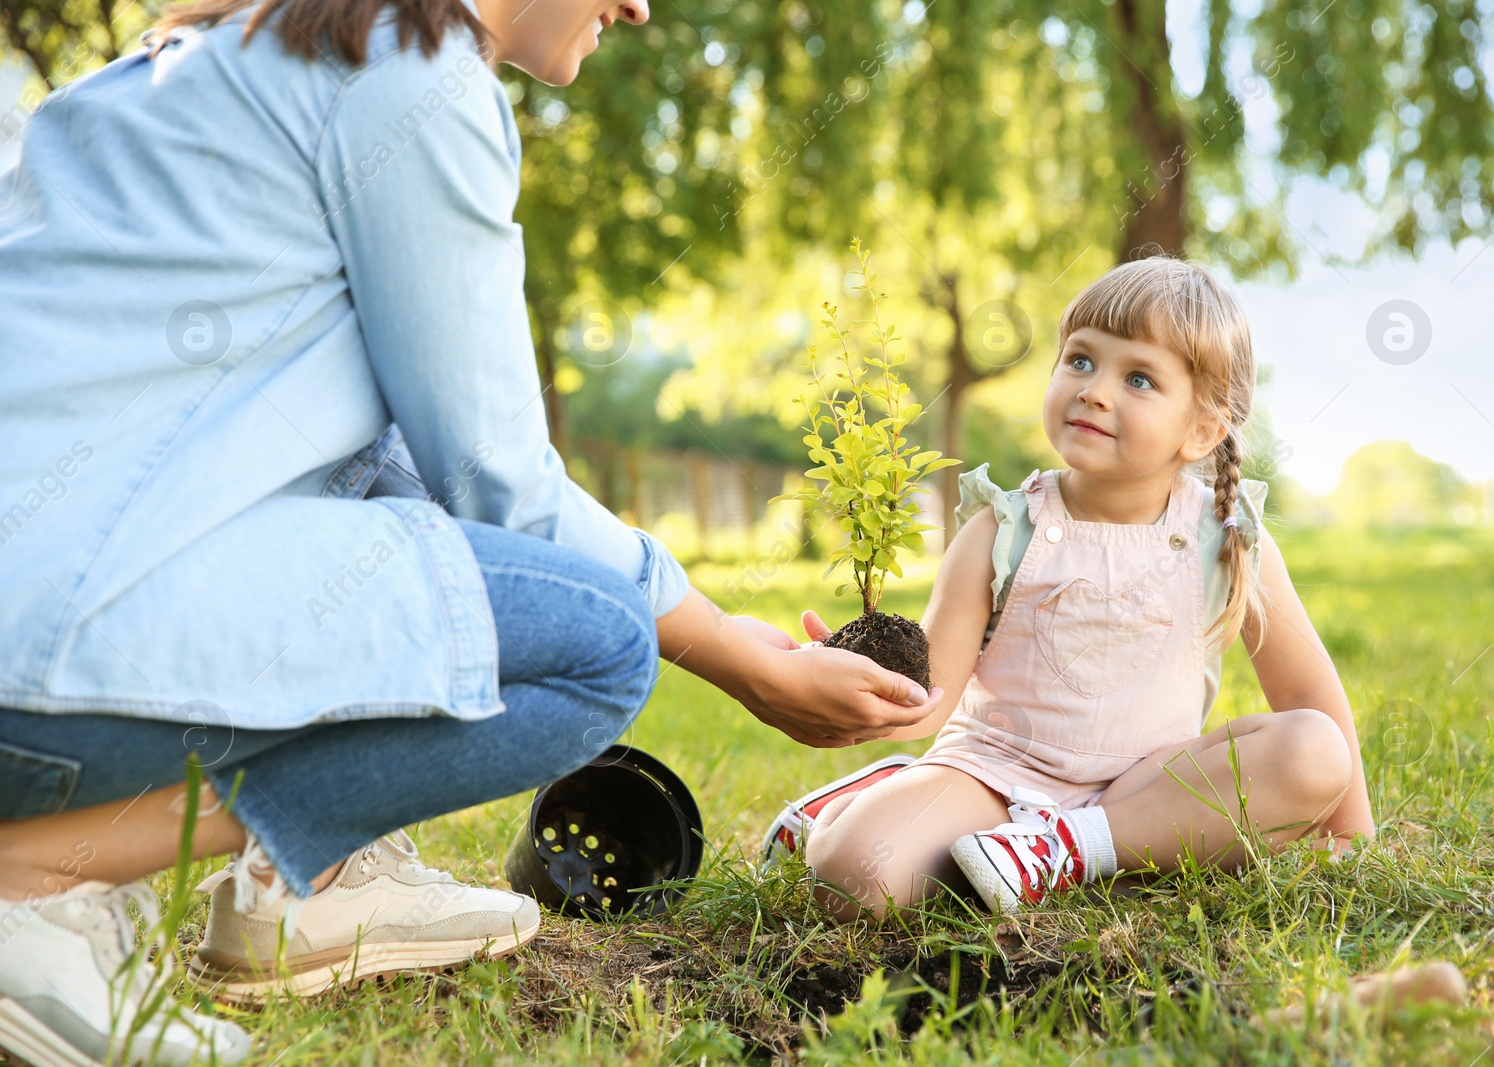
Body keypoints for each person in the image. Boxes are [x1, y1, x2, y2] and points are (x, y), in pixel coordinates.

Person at [0, 0, 943, 1062]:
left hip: (39, 626)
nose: (636, 7)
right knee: (598, 642)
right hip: (40, 675)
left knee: (395, 490)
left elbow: (399, 459)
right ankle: (37, 878)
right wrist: (728, 647)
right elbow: (496, 479)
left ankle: (314, 875)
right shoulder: (414, 73)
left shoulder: (212, 56)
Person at [761, 256, 1378, 920]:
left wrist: (1348, 830)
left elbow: (1308, 693)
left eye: (1138, 377)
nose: (1095, 390)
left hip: (1147, 794)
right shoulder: (1004, 529)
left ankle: (1071, 846)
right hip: (992, 778)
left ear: (1202, 428)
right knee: (850, 881)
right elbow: (933, 695)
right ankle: (873, 801)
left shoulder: (1225, 539)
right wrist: (854, 674)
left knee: (1314, 751)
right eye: (1081, 360)